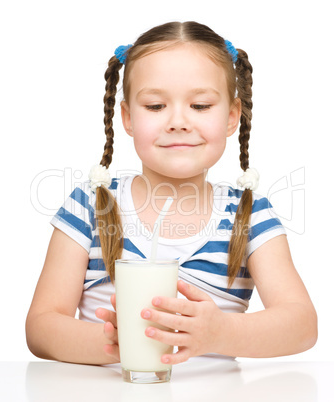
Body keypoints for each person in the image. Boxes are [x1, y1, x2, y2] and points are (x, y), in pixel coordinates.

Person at [26, 21, 317, 366]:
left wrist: (221, 332)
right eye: (154, 106)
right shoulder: (90, 207)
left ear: (231, 117)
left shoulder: (249, 215)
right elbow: (40, 328)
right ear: (128, 117)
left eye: (200, 106)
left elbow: (302, 325)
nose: (178, 121)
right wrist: (118, 341)